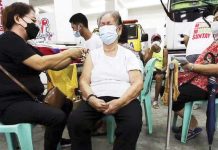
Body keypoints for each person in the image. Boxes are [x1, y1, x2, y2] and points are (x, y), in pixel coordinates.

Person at [0, 2, 86, 150]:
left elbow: (54, 65)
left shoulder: (25, 45)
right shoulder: (8, 39)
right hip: (10, 105)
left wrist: (74, 57)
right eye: (33, 20)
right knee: (56, 117)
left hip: (28, 99)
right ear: (18, 19)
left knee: (66, 104)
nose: (36, 25)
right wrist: (69, 53)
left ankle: (55, 140)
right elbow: (40, 63)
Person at [67, 11, 143, 150]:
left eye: (109, 24)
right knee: (75, 121)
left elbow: (137, 83)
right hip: (96, 97)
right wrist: (91, 98)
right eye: (102, 25)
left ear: (119, 29)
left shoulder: (128, 55)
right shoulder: (93, 55)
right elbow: (84, 80)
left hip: (124, 97)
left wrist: (120, 102)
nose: (105, 27)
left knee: (132, 124)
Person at [172, 8, 218, 141]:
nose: (215, 22)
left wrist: (191, 66)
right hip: (202, 79)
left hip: (211, 85)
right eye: (215, 19)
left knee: (175, 95)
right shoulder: (215, 42)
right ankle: (188, 122)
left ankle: (192, 125)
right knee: (169, 89)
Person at [143, 34, 168, 109]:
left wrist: (161, 70)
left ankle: (155, 100)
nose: (156, 41)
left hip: (159, 71)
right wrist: (151, 51)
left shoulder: (164, 50)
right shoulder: (148, 50)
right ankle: (146, 96)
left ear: (160, 41)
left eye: (158, 40)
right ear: (151, 41)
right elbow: (145, 61)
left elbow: (165, 66)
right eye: (154, 40)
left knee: (159, 77)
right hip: (150, 71)